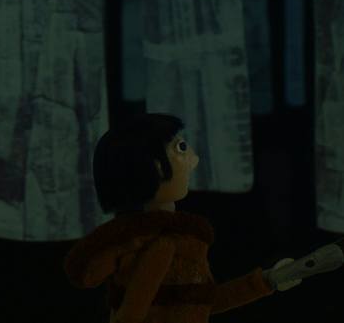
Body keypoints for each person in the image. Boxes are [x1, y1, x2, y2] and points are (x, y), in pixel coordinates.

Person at [63, 113, 300, 323]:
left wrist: (269, 280)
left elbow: (202, 302)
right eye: (181, 148)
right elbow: (131, 314)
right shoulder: (158, 242)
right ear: (156, 166)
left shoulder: (184, 239)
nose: (193, 161)